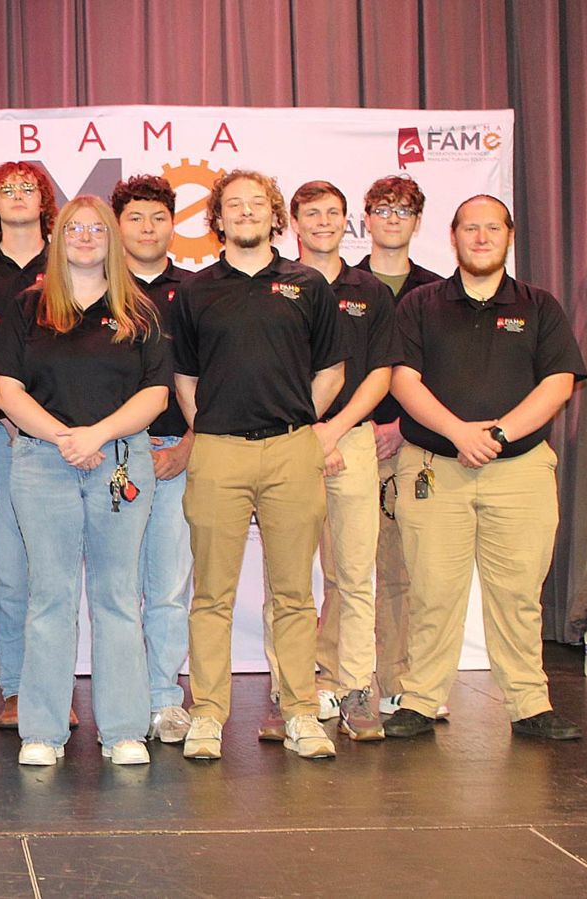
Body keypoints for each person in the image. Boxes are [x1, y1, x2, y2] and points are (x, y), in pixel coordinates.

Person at [384, 195, 586, 741]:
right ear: (453, 236)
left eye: (491, 228)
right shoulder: (420, 304)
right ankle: (421, 701)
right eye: (470, 228)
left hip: (518, 471)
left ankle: (528, 704)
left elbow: (559, 382)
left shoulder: (540, 305)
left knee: (519, 595)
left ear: (508, 235)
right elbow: (403, 379)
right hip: (434, 468)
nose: (480, 237)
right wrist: (459, 432)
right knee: (431, 591)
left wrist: (496, 434)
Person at [171, 169, 345, 762]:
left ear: (275, 216)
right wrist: (213, 426)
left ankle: (299, 711)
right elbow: (185, 379)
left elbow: (330, 371)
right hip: (218, 451)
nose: (245, 212)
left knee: (295, 593)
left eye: (257, 203)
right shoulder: (194, 291)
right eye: (232, 204)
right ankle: (208, 716)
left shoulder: (308, 285)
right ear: (215, 218)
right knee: (211, 595)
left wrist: (294, 422)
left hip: (294, 450)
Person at [0, 196, 170, 767]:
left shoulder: (139, 310)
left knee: (118, 597)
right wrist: (65, 438)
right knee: (50, 595)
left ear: (112, 240)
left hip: (119, 459)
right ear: (58, 236)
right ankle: (43, 731)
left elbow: (156, 394)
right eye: (76, 228)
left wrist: (96, 436)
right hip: (43, 463)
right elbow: (7, 391)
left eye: (98, 228)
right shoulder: (27, 308)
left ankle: (123, 730)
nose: (88, 237)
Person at [258, 181, 397, 742]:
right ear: (293, 222)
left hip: (354, 438)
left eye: (332, 213)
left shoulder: (371, 291)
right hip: (289, 438)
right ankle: (286, 690)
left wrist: (335, 432)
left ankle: (355, 685)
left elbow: (381, 372)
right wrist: (309, 435)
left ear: (348, 221)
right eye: (311, 213)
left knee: (354, 573)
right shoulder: (275, 285)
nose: (322, 221)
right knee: (286, 579)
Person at [0, 162, 59, 730]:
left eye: (29, 188)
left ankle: (53, 688)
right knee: (7, 570)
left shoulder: (71, 260)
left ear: (45, 202)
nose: (19, 197)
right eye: (7, 190)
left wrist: (45, 422)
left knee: (55, 573)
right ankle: (21, 688)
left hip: (58, 438)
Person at [352, 174, 445, 716]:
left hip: (410, 445)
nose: (392, 218)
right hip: (346, 441)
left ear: (416, 221)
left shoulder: (437, 291)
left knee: (403, 570)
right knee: (344, 572)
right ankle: (339, 679)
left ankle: (398, 680)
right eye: (382, 208)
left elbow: (443, 373)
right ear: (365, 218)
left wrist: (402, 427)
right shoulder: (341, 284)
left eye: (403, 210)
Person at [111, 174, 195, 745]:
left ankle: (165, 699)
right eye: (135, 218)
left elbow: (213, 378)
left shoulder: (195, 291)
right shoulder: (94, 289)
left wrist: (191, 443)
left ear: (173, 223)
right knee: (113, 592)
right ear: (118, 226)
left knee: (167, 587)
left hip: (175, 454)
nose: (147, 227)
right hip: (110, 457)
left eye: (157, 217)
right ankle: (120, 701)